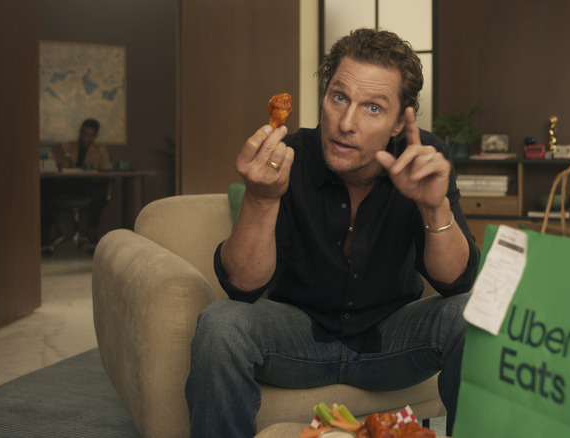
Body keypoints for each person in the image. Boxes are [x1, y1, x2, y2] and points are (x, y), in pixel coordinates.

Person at [185, 28, 481, 437]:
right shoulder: (293, 155)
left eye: (373, 108)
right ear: (324, 96)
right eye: (339, 97)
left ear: (400, 122)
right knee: (221, 323)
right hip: (297, 335)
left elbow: (456, 281)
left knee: (469, 316)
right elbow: (243, 287)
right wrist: (260, 199)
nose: (346, 123)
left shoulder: (422, 155)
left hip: (392, 339)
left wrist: (434, 206)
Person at [41, 118, 112, 252]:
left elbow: (106, 169)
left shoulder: (100, 151)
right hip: (67, 184)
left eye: (89, 135)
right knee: (44, 188)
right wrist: (60, 165)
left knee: (101, 189)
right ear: (80, 132)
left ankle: (92, 229)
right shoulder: (65, 147)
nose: (85, 138)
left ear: (95, 136)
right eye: (83, 134)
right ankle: (53, 229)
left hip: (87, 185)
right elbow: (56, 164)